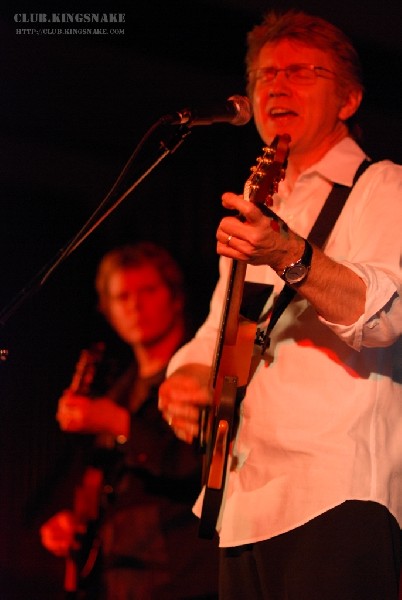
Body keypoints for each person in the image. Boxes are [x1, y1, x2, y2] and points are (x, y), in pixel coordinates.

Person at [158, 10, 402, 600]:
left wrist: (289, 252)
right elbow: (221, 326)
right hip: (242, 500)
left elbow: (387, 313)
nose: (276, 87)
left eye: (301, 72)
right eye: (264, 76)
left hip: (335, 490)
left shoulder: (384, 186)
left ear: (349, 101)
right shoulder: (259, 198)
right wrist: (182, 377)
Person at [40, 242, 219, 600]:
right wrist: (75, 524)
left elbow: (201, 465)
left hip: (186, 577)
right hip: (120, 581)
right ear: (108, 311)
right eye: (123, 297)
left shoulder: (204, 374)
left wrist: (120, 423)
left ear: (176, 296)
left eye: (148, 290)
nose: (136, 305)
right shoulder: (119, 391)